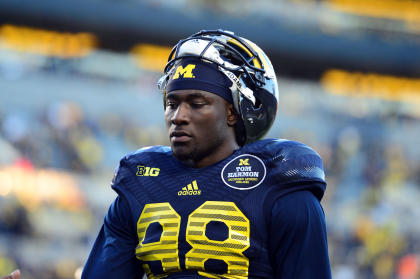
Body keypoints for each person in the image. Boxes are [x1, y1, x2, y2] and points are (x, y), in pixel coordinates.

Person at [81, 30, 331, 278]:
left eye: (197, 104)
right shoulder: (139, 184)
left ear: (233, 112)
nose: (178, 117)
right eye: (172, 103)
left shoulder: (282, 187)